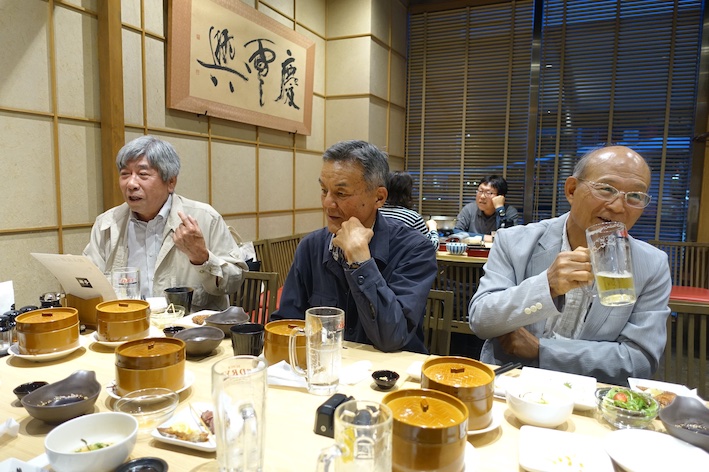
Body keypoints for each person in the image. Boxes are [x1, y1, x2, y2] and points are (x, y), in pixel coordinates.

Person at [469, 145, 671, 385]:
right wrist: (547, 286)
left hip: (592, 394)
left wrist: (541, 349)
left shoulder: (652, 265)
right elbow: (481, 321)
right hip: (510, 383)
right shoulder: (514, 241)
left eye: (635, 196)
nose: (618, 207)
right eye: (606, 189)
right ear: (572, 190)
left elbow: (640, 361)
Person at [273, 140, 438, 353]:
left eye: (341, 194)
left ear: (379, 197)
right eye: (324, 190)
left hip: (390, 371)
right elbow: (288, 325)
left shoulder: (415, 249)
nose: (327, 203)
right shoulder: (311, 247)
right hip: (328, 367)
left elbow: (393, 337)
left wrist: (361, 263)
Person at [83, 135, 247, 311]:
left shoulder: (205, 218)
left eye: (142, 174)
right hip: (129, 323)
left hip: (189, 326)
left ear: (170, 182)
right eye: (125, 174)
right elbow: (88, 283)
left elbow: (235, 282)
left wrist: (202, 258)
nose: (131, 184)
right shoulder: (107, 224)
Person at [379, 171, 439, 249]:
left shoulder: (374, 213)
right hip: (402, 257)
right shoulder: (413, 218)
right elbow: (430, 248)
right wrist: (432, 227)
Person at [453, 175, 518, 241]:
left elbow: (510, 237)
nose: (482, 196)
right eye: (480, 191)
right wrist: (485, 237)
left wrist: (500, 210)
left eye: (488, 193)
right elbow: (456, 232)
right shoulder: (469, 209)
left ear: (500, 196)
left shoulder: (509, 212)